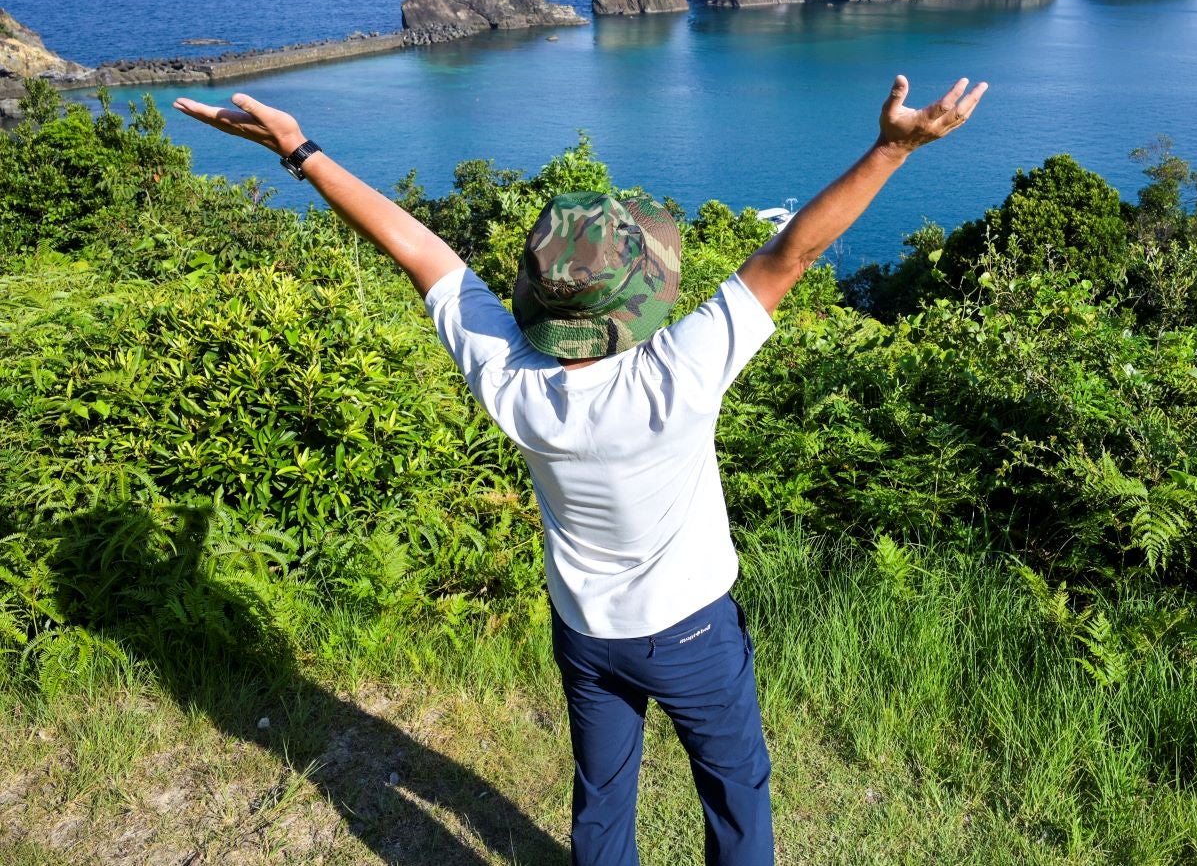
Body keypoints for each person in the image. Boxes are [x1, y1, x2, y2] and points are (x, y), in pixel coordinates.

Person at [173, 73, 988, 866]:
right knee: (736, 788)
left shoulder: (509, 379)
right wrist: (889, 149)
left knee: (602, 794)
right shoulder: (675, 375)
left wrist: (301, 151)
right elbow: (794, 254)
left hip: (587, 632)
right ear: (639, 302)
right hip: (694, 632)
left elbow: (415, 247)